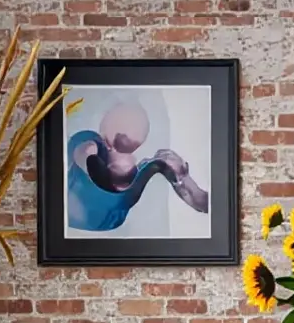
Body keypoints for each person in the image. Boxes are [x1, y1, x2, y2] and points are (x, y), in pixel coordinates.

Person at [66, 94, 208, 232]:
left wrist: (181, 177)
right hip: (79, 206)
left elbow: (202, 202)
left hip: (110, 216)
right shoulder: (92, 141)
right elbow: (81, 151)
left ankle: (111, 180)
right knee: (89, 147)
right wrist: (91, 161)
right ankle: (101, 175)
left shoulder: (140, 167)